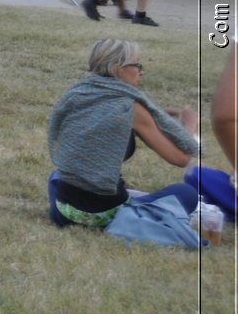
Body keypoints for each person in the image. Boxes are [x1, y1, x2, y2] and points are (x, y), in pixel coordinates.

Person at [47, 38, 201, 228]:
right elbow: (181, 159)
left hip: (62, 210)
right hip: (101, 215)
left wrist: (155, 115)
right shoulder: (130, 108)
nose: (141, 71)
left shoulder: (77, 94)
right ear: (117, 68)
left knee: (58, 175)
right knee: (186, 193)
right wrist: (190, 124)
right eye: (137, 65)